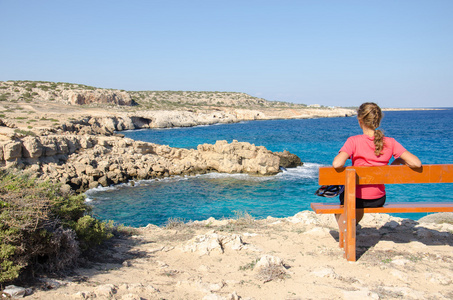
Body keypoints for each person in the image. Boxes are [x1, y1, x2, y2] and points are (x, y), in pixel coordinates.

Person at [332, 102, 421, 224]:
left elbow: (337, 164)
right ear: (377, 121)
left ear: (360, 120)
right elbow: (416, 163)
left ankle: (348, 226)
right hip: (378, 199)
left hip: (356, 198)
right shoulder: (391, 142)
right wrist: (399, 160)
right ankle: (353, 224)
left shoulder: (353, 141)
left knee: (345, 195)